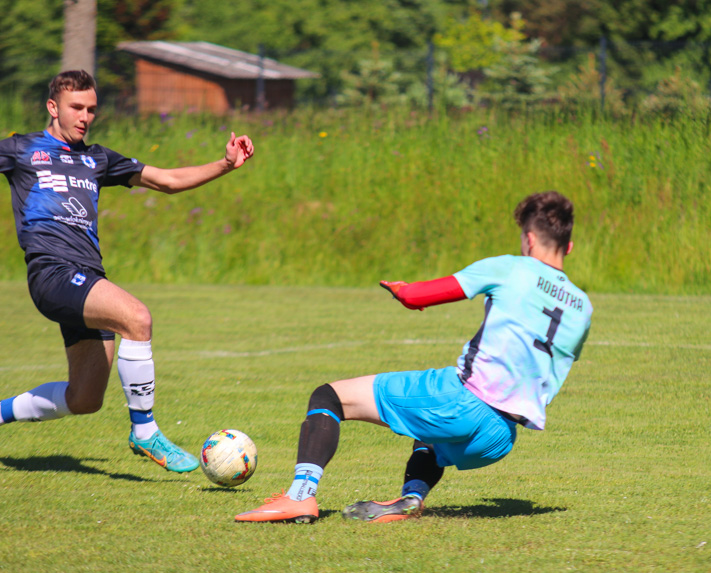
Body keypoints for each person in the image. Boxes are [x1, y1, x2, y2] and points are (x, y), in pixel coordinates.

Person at [235, 190, 592, 523]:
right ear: (569, 246)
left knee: (328, 397)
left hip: (461, 403)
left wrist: (401, 290)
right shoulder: (582, 308)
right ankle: (412, 498)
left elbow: (418, 295)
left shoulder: (513, 267)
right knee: (429, 436)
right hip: (499, 438)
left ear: (529, 239)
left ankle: (301, 495)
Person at [0, 70, 254, 473]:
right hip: (52, 273)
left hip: (86, 278)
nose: (85, 116)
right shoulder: (21, 149)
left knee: (85, 399)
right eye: (76, 108)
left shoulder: (97, 158)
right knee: (136, 318)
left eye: (91, 109)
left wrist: (225, 164)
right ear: (53, 107)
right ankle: (145, 431)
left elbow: (167, 180)